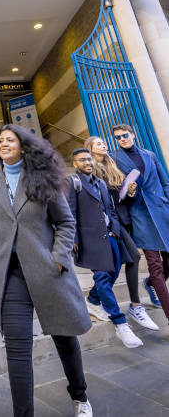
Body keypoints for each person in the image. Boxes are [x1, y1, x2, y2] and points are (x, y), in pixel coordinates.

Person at [0, 124, 93, 417]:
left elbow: (66, 223)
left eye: (10, 139)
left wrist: (58, 258)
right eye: (0, 140)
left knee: (64, 337)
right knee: (16, 350)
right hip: (10, 273)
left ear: (24, 146)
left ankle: (79, 396)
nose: (4, 143)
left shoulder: (41, 177)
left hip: (46, 270)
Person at [69, 149, 143, 348]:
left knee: (112, 272)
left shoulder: (101, 183)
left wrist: (115, 231)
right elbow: (70, 213)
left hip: (110, 235)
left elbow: (110, 209)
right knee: (102, 276)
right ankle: (120, 323)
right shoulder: (73, 183)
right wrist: (75, 238)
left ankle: (93, 299)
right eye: (82, 160)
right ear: (75, 164)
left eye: (89, 159)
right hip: (89, 237)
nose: (87, 162)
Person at [84, 136, 158, 331]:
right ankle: (134, 305)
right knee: (129, 258)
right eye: (98, 143)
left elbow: (119, 196)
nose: (103, 145)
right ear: (90, 149)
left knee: (119, 264)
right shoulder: (90, 170)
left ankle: (94, 299)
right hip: (108, 223)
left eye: (103, 142)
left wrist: (129, 190)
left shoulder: (112, 165)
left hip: (123, 219)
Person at [110, 123, 169, 324]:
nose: (122, 139)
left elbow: (165, 182)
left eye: (124, 135)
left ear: (132, 134)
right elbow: (116, 191)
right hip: (140, 215)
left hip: (162, 213)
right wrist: (129, 192)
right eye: (117, 137)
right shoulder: (114, 159)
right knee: (155, 265)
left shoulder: (150, 155)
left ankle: (150, 283)